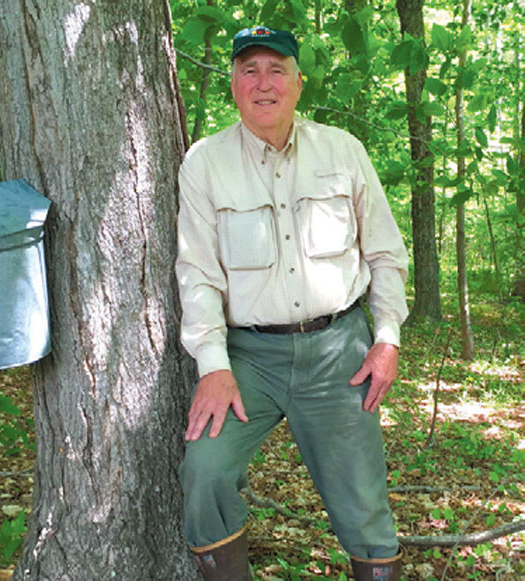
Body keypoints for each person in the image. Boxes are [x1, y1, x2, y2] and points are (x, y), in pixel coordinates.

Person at [175, 25, 408, 581]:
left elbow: (385, 253)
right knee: (204, 471)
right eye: (249, 70)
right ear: (232, 83)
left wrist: (387, 338)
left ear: (298, 83)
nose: (263, 84)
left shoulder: (342, 150)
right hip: (248, 358)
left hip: (338, 354)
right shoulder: (204, 163)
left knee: (364, 502)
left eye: (277, 70)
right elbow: (198, 273)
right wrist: (213, 367)